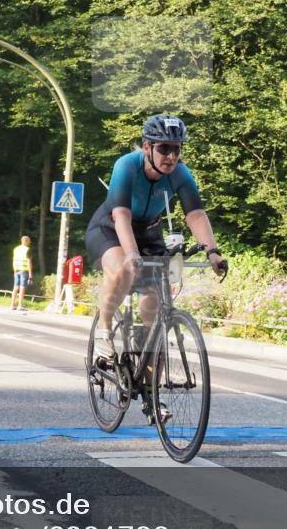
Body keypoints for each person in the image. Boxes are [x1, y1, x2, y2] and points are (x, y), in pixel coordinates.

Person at [85, 114, 228, 365]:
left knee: (156, 314)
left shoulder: (181, 174)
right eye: (164, 149)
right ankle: (104, 330)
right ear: (147, 147)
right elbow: (121, 214)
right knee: (122, 269)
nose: (171, 156)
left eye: (176, 149)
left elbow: (195, 214)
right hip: (110, 227)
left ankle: (152, 396)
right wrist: (131, 253)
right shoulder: (127, 165)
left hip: (149, 232)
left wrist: (213, 252)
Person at [11, 235, 33, 311]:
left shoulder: (16, 249)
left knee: (15, 288)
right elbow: (29, 262)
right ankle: (20, 305)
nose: (30, 242)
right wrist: (30, 275)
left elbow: (13, 260)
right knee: (22, 288)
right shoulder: (28, 250)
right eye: (29, 241)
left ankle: (12, 305)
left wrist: (14, 271)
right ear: (25, 241)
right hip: (24, 270)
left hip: (16, 270)